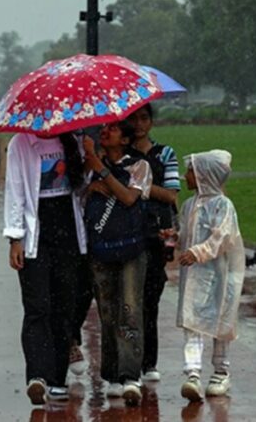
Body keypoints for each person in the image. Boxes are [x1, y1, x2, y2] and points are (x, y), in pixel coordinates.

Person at [3, 131, 87, 405]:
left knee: (65, 305)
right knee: (38, 306)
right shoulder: (21, 143)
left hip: (69, 233)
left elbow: (82, 187)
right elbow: (14, 189)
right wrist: (15, 237)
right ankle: (37, 376)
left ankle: (57, 378)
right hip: (35, 233)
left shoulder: (73, 140)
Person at [82, 119, 153, 406]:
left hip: (131, 250)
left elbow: (127, 197)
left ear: (125, 139)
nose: (105, 131)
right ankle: (111, 373)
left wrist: (101, 171)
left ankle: (130, 374)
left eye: (113, 129)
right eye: (104, 127)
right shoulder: (90, 168)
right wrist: (90, 184)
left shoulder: (140, 166)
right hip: (100, 249)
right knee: (107, 312)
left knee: (130, 309)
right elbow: (79, 196)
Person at [176, 150, 245, 402]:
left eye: (191, 171)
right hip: (195, 275)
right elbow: (184, 232)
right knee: (193, 321)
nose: (186, 177)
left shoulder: (223, 206)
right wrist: (173, 239)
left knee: (220, 322)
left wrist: (198, 252)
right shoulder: (188, 206)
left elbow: (222, 237)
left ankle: (221, 371)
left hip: (221, 274)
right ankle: (192, 373)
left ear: (205, 175)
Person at [129, 104, 180, 383]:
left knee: (151, 299)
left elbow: (171, 195)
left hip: (157, 235)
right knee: (129, 301)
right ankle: (130, 362)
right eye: (133, 119)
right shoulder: (121, 155)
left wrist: (141, 187)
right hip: (127, 234)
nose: (139, 124)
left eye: (144, 118)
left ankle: (149, 361)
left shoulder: (165, 154)